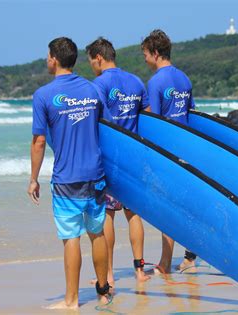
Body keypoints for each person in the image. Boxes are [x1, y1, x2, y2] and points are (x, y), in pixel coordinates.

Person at [27, 37, 110, 310]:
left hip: (66, 179)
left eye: (47, 56)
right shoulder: (93, 89)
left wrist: (33, 179)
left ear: (54, 59)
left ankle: (72, 300)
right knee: (96, 232)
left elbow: (39, 141)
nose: (46, 60)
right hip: (96, 175)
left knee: (71, 237)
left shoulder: (43, 95)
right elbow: (109, 132)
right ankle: (102, 290)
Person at [86, 37, 150, 286]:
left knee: (108, 215)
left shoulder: (98, 85)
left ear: (99, 58)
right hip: (135, 157)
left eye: (91, 60)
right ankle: (139, 271)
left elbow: (99, 122)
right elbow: (148, 118)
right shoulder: (135, 81)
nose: (92, 65)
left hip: (111, 159)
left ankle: (109, 274)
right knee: (134, 214)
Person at [141, 29, 197, 273]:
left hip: (167, 153)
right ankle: (190, 257)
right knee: (186, 205)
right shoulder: (184, 78)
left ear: (155, 53)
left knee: (168, 208)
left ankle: (165, 263)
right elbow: (189, 113)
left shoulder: (155, 81)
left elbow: (155, 120)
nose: (144, 60)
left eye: (145, 54)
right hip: (187, 149)